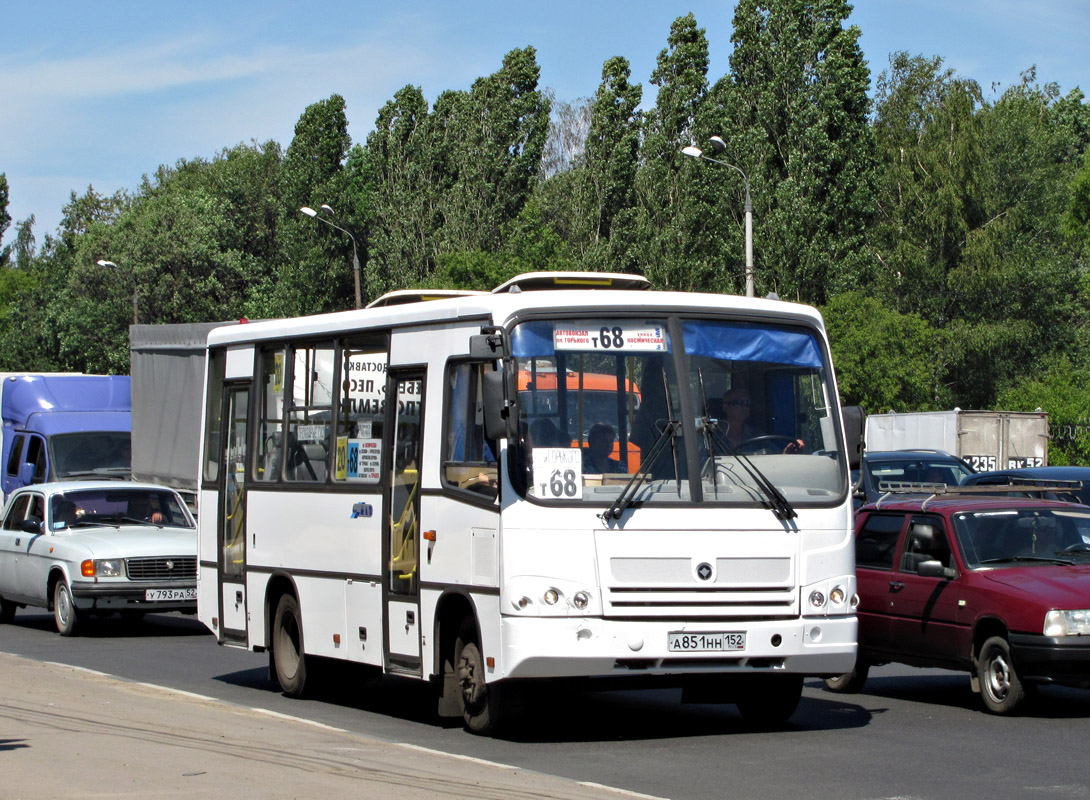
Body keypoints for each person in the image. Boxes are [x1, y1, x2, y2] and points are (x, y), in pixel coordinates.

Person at [719, 387, 804, 454]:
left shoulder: (757, 435)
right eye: (739, 402)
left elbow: (777, 456)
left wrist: (787, 452)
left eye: (747, 403)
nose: (745, 407)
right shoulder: (714, 434)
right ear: (726, 407)